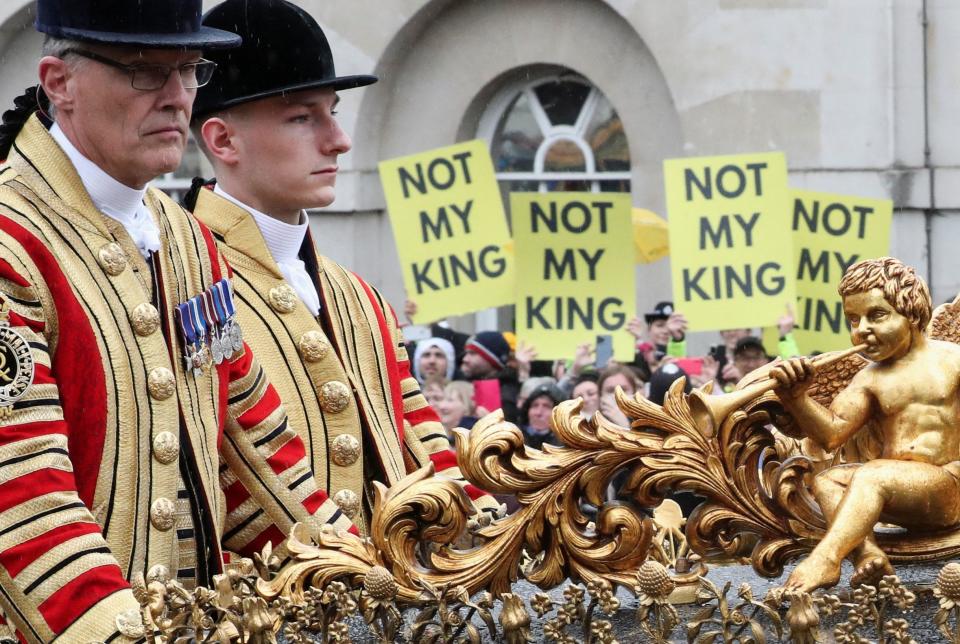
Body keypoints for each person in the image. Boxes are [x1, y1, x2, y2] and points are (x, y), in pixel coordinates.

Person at [0, 1, 347, 639]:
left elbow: (258, 449)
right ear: (59, 83)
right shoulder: (9, 240)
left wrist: (359, 574)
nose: (176, 97)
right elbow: (20, 497)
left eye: (189, 70)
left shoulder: (186, 239)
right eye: (144, 72)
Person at [186, 0, 497, 535]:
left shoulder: (359, 296)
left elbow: (424, 444)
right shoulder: (181, 283)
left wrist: (489, 528)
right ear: (223, 140)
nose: (339, 139)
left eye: (331, 111)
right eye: (302, 117)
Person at [773, 257, 960, 592]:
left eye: (876, 316)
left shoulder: (952, 361)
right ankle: (867, 554)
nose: (861, 330)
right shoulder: (868, 379)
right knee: (830, 481)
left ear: (912, 312)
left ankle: (826, 559)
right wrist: (796, 399)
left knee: (872, 473)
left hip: (950, 488)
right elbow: (832, 435)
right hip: (898, 493)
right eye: (853, 320)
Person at [460, 330, 520, 422]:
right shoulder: (467, 384)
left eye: (473, 353)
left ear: (492, 359)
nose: (465, 359)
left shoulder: (507, 393)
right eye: (466, 353)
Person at [519, 383, 565, 450]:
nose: (538, 413)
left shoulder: (567, 446)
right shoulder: (514, 441)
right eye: (535, 405)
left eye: (547, 406)